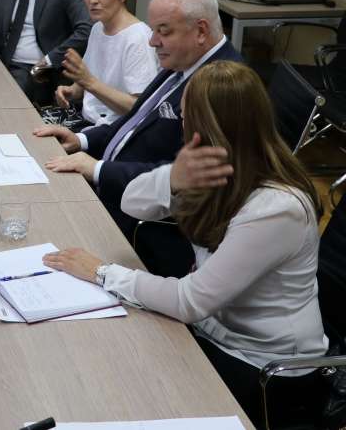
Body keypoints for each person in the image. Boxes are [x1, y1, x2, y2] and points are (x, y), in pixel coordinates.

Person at [43, 61, 327, 427]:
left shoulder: (277, 208)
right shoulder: (216, 168)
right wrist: (172, 178)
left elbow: (190, 301)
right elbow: (132, 203)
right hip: (214, 331)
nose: (181, 126)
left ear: (210, 128)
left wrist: (101, 272)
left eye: (185, 118)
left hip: (265, 371)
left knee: (127, 379)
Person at [34, 0, 242, 238]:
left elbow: (186, 176)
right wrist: (82, 140)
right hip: (113, 186)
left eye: (164, 31)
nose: (152, 41)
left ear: (201, 31)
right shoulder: (183, 60)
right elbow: (135, 121)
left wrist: (98, 170)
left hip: (140, 218)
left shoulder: (223, 86)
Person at [53, 0, 158, 128]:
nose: (93, 0)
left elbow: (140, 108)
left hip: (114, 130)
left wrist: (89, 82)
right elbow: (88, 82)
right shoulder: (97, 28)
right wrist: (72, 90)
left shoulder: (138, 38)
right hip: (87, 119)